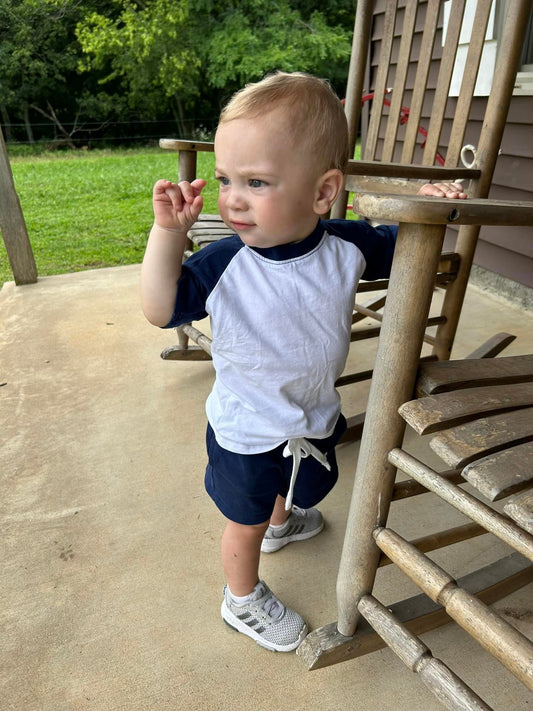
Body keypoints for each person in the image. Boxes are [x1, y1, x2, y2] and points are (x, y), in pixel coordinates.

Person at [140, 71, 466, 653]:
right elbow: (159, 307)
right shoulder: (223, 263)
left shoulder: (346, 245)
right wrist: (167, 235)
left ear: (322, 193)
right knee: (244, 519)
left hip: (310, 411)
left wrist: (433, 209)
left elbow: (403, 245)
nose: (232, 198)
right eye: (225, 180)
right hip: (246, 425)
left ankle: (282, 524)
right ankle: (240, 599)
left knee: (298, 480)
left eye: (256, 181)